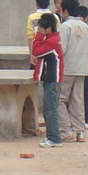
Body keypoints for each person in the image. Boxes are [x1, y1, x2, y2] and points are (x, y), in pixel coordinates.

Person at [57, 0, 88, 143]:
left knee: (60, 100)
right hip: (82, 68)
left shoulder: (65, 26)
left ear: (64, 10)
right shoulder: (85, 26)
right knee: (77, 100)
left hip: (67, 68)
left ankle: (65, 130)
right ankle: (80, 131)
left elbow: (61, 49)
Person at [31, 12, 64, 148]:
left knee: (50, 109)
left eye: (41, 28)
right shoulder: (51, 38)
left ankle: (55, 138)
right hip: (50, 78)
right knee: (48, 109)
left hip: (53, 79)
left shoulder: (52, 41)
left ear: (49, 29)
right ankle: (52, 136)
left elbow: (36, 51)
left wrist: (38, 36)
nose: (39, 31)